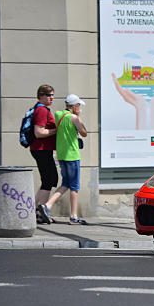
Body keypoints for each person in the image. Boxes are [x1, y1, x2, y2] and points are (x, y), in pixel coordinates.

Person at [37, 94, 88, 225]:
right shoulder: (74, 118)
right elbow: (84, 133)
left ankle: (47, 206)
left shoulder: (59, 115)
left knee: (66, 184)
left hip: (61, 155)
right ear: (75, 106)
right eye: (79, 106)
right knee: (74, 187)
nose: (80, 108)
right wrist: (79, 116)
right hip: (72, 155)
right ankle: (73, 216)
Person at [29, 84, 58, 224]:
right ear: (40, 96)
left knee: (49, 179)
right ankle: (41, 212)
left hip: (42, 150)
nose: (51, 97)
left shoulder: (42, 109)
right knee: (49, 179)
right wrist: (56, 130)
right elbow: (39, 132)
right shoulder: (41, 111)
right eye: (48, 95)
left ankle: (33, 211)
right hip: (41, 149)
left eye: (52, 94)